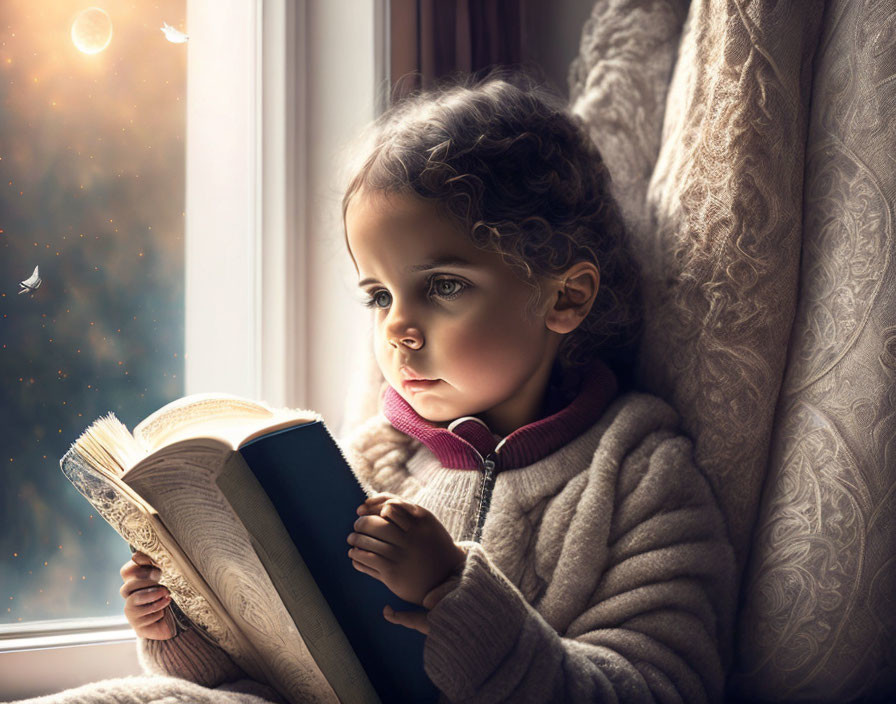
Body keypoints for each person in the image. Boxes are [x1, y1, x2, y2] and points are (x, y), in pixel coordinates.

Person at [120, 71, 737, 703]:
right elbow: (303, 678)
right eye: (379, 296)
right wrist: (182, 632)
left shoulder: (639, 472)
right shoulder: (363, 467)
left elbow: (666, 687)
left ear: (565, 297)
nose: (399, 329)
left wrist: (454, 591)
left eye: (443, 286)